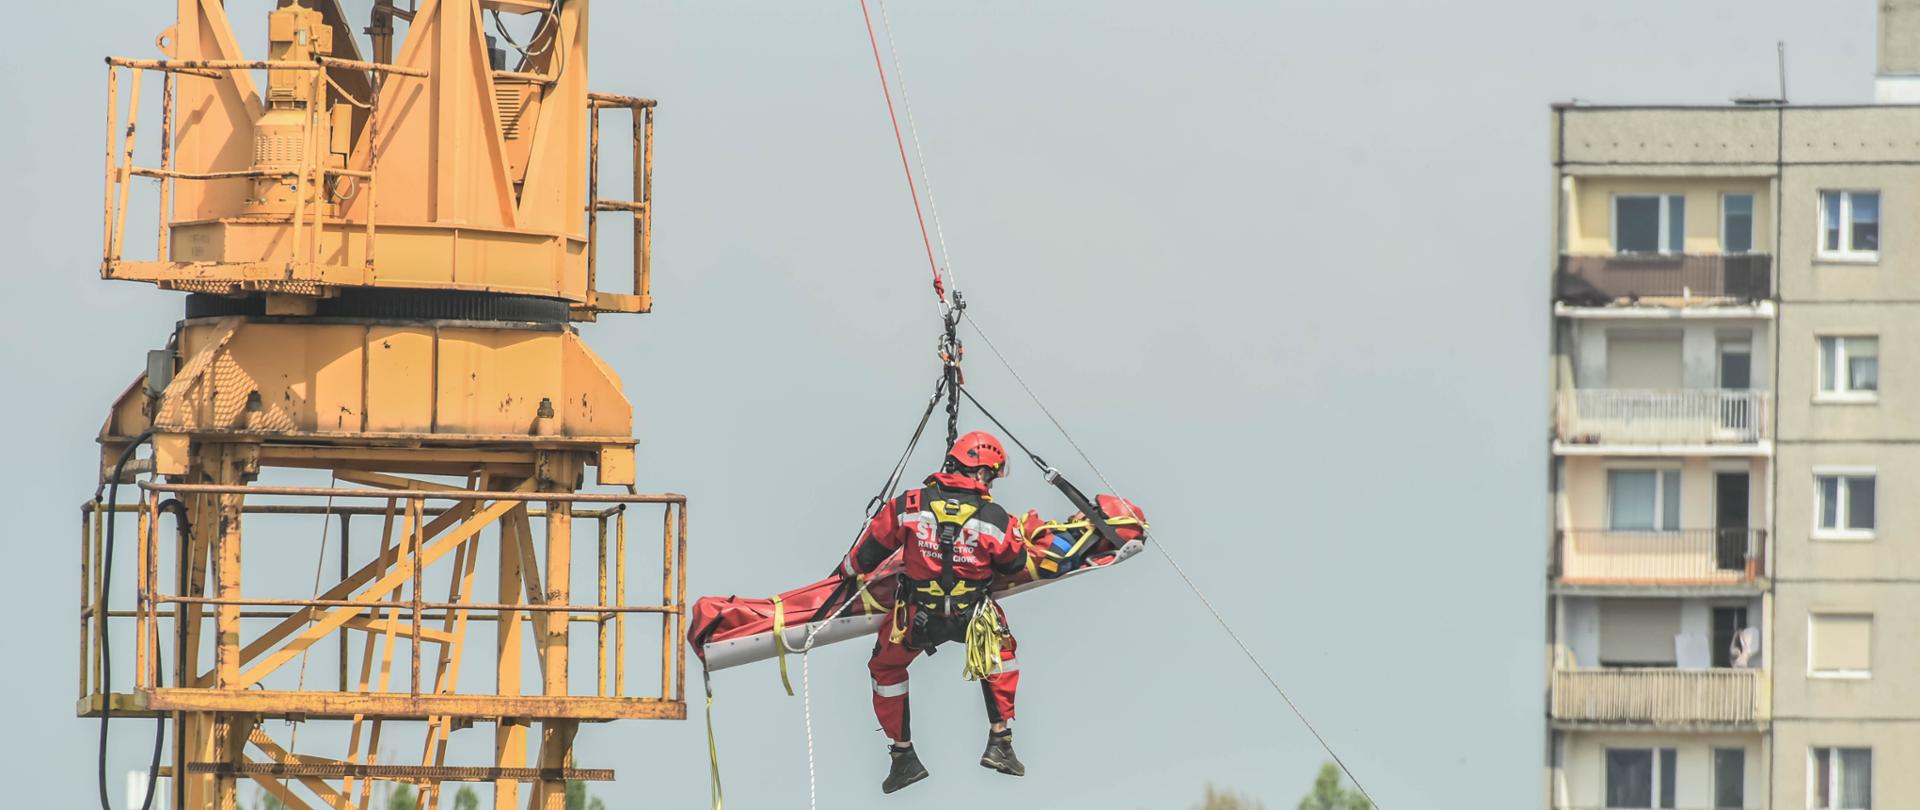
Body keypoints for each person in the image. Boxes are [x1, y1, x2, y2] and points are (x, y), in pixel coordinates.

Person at [839, 431, 1030, 794]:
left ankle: (903, 757)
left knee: (886, 668)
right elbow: (1014, 561)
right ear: (980, 472)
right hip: (973, 617)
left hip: (915, 617)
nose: (989, 484)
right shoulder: (993, 517)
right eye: (990, 476)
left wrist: (842, 576)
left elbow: (863, 559)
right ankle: (1000, 741)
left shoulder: (909, 505)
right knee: (1000, 655)